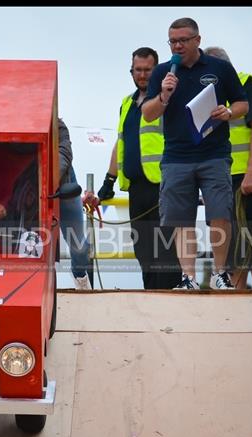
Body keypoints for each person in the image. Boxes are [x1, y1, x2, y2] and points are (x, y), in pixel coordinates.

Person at [142, 17, 248, 290]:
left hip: (214, 154)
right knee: (181, 219)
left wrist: (228, 112)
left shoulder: (220, 68)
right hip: (177, 157)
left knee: (220, 213)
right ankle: (187, 277)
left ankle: (219, 274)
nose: (177, 46)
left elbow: (242, 103)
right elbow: (148, 114)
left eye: (183, 41)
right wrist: (164, 96)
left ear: (197, 40)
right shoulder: (163, 72)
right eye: (172, 41)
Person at [93, 47, 181, 289]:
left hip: (164, 185)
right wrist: (108, 181)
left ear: (158, 71)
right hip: (136, 188)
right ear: (131, 71)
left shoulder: (168, 99)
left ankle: (170, 299)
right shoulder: (126, 103)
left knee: (165, 248)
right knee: (143, 250)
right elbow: (120, 143)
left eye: (147, 70)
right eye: (137, 70)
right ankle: (150, 296)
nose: (142, 75)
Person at [204, 46, 252, 290]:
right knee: (230, 254)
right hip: (220, 178)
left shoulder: (247, 84)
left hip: (248, 180)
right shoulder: (212, 96)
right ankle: (234, 312)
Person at [57, 117, 94, 290]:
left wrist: (46, 181)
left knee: (79, 245)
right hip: (31, 187)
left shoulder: (58, 125)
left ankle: (80, 276)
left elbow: (64, 155)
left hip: (64, 183)